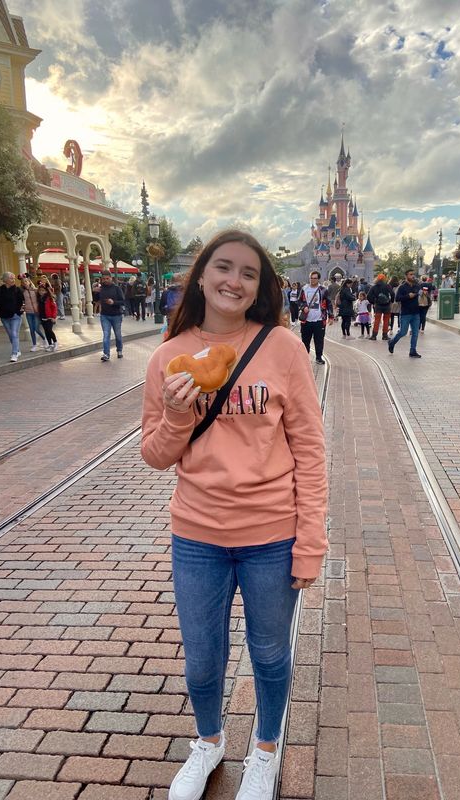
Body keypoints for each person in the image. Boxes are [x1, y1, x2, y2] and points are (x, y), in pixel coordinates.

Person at [140, 229, 328, 800]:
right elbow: (154, 455)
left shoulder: (282, 348)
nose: (235, 280)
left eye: (249, 273)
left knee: (270, 653)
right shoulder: (167, 357)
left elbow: (311, 449)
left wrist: (311, 540)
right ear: (201, 275)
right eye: (224, 267)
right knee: (201, 660)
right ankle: (209, 741)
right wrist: (175, 415)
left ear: (260, 287)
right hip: (196, 535)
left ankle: (265, 750)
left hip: (272, 535)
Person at [299, 269, 333, 364]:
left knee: (319, 340)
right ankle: (305, 358)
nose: (312, 280)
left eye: (315, 278)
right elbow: (299, 301)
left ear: (318, 279)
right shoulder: (304, 289)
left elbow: (329, 303)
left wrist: (331, 316)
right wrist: (303, 307)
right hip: (306, 320)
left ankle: (318, 357)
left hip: (319, 320)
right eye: (311, 278)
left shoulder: (323, 290)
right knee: (305, 340)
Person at [388, 269, 422, 358]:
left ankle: (412, 351)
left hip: (416, 313)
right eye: (411, 274)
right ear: (406, 276)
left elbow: (420, 294)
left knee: (415, 333)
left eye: (413, 274)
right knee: (403, 332)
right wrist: (408, 296)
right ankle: (392, 342)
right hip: (405, 313)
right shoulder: (402, 287)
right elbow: (397, 298)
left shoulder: (417, 286)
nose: (413, 276)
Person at [0, 272, 25, 362]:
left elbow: (22, 301)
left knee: (14, 334)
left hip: (15, 315)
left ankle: (14, 354)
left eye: (14, 278)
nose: (13, 280)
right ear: (6, 280)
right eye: (11, 278)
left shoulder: (17, 290)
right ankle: (18, 349)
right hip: (4, 316)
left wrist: (20, 311)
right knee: (11, 335)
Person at [99, 270, 125, 361]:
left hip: (116, 315)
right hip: (104, 315)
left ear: (111, 278)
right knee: (106, 334)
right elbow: (96, 300)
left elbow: (123, 301)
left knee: (118, 334)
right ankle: (106, 354)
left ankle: (119, 350)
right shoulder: (101, 288)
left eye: (107, 278)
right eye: (103, 279)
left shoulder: (117, 288)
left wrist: (113, 302)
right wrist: (95, 293)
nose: (105, 280)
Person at [20, 275, 47, 351]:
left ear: (29, 282)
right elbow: (21, 301)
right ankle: (34, 345)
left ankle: (44, 339)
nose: (24, 283)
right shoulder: (23, 292)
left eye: (26, 281)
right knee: (31, 329)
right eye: (23, 282)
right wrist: (23, 307)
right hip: (28, 312)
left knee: (36, 328)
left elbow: (43, 294)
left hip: (36, 312)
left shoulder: (35, 290)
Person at [367, 274, 394, 340]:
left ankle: (374, 335)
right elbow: (392, 294)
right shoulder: (387, 286)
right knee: (386, 320)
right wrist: (391, 301)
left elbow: (368, 296)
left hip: (378, 306)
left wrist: (373, 302)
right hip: (387, 305)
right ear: (384, 279)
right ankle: (385, 335)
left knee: (377, 320)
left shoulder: (374, 287)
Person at [37, 282, 58, 351]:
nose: (41, 292)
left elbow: (54, 308)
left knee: (49, 330)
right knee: (46, 331)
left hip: (50, 318)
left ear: (46, 291)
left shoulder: (49, 298)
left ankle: (55, 342)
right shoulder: (39, 299)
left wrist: (54, 317)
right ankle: (50, 344)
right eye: (40, 290)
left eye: (43, 290)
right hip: (43, 317)